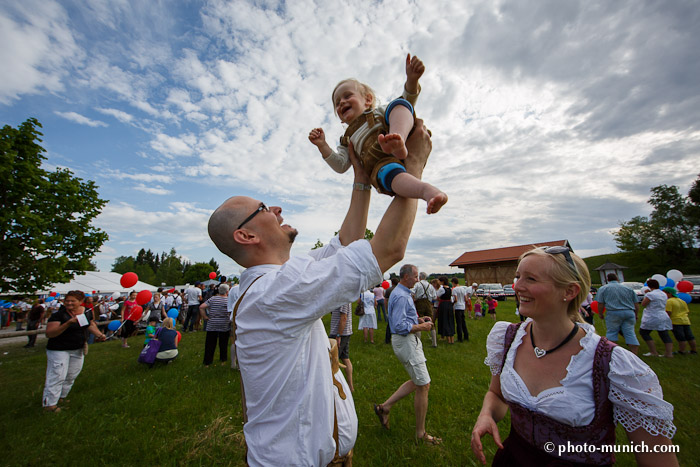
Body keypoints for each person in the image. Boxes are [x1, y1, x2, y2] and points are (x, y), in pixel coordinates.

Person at [206, 117, 432, 466]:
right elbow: (386, 250)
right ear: (246, 236)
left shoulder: (276, 282)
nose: (277, 209)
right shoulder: (275, 292)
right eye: (264, 209)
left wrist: (360, 177)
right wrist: (414, 165)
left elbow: (345, 244)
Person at [471, 247, 678, 466]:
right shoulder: (507, 338)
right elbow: (497, 394)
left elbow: (657, 456)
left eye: (530, 279)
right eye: (518, 276)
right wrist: (486, 414)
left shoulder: (612, 364)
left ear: (569, 291)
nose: (517, 286)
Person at [309, 54, 447, 215]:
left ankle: (398, 140)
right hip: (382, 163)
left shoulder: (377, 113)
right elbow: (340, 166)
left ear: (367, 100)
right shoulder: (347, 139)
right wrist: (322, 145)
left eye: (347, 96)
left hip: (397, 137)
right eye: (337, 103)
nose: (342, 103)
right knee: (390, 175)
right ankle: (427, 191)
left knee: (399, 105)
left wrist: (412, 81)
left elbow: (408, 100)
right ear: (340, 118)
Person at [374, 264, 441, 445]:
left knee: (418, 381)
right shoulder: (402, 296)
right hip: (405, 341)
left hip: (408, 341)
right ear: (406, 277)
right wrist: (422, 326)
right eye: (416, 276)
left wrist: (418, 319)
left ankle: (384, 408)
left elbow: (402, 319)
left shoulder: (400, 293)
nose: (418, 279)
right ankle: (421, 434)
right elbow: (399, 326)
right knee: (423, 384)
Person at [42, 290, 106, 412]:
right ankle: (49, 404)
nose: (69, 303)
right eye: (67, 300)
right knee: (57, 375)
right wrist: (67, 323)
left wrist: (99, 334)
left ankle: (61, 397)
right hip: (59, 349)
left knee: (71, 375)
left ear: (81, 302)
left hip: (77, 348)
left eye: (73, 301)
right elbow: (50, 334)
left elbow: (90, 324)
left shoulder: (86, 312)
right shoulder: (59, 315)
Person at [593, 273, 640, 355]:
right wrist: (636, 314)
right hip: (629, 311)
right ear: (617, 279)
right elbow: (636, 303)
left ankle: (612, 353)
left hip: (613, 312)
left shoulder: (604, 288)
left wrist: (600, 313)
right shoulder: (628, 288)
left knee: (612, 332)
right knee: (630, 333)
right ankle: (634, 353)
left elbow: (600, 303)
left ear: (607, 279)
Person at [640, 279, 673, 358]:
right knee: (664, 333)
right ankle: (669, 353)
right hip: (662, 314)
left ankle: (653, 351)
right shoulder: (663, 294)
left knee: (644, 332)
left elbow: (643, 304)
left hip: (652, 315)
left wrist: (646, 294)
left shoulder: (650, 294)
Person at [200, 283, 231, 366]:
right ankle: (223, 360)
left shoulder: (213, 299)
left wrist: (205, 317)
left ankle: (207, 362)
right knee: (223, 343)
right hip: (224, 324)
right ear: (227, 291)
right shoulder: (228, 300)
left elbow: (202, 307)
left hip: (212, 324)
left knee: (210, 344)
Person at [663, 287, 697, 355]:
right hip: (685, 320)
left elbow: (668, 312)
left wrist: (665, 320)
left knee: (681, 337)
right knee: (690, 336)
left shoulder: (669, 301)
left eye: (665, 293)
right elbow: (687, 311)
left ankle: (681, 351)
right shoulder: (682, 301)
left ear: (669, 293)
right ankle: (694, 350)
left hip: (676, 321)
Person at [329, 303, 354, 392]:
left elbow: (344, 318)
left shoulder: (344, 299)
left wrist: (338, 335)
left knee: (333, 360)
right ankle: (350, 387)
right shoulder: (342, 297)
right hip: (344, 332)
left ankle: (334, 386)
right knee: (345, 358)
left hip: (340, 334)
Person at [412, 272, 437, 347]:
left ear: (420, 277)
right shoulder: (430, 285)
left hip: (419, 303)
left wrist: (415, 299)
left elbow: (412, 292)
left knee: (419, 321)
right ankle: (434, 343)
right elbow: (435, 297)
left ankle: (418, 343)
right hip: (428, 303)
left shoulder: (417, 284)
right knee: (431, 321)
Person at [436, 276, 454, 344]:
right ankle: (451, 338)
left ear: (442, 281)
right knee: (450, 320)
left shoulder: (441, 289)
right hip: (449, 304)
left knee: (444, 320)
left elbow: (437, 296)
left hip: (443, 305)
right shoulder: (450, 288)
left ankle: (448, 338)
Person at [451, 278, 469, 342]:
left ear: (453, 282)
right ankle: (466, 335)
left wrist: (452, 304)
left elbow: (455, 299)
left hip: (457, 306)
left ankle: (460, 337)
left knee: (458, 323)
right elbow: (466, 299)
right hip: (462, 306)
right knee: (463, 322)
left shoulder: (454, 289)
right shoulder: (463, 289)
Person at [384, 277, 400, 344]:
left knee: (389, 324)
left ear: (392, 283)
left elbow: (386, 300)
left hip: (391, 308)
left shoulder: (388, 290)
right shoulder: (400, 290)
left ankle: (388, 339)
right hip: (398, 308)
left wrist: (386, 309)